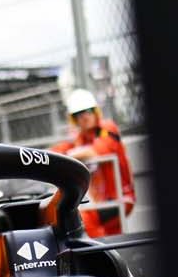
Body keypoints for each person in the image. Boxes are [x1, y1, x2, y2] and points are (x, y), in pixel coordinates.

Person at [50, 88, 136, 237]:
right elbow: (55, 151)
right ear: (74, 119)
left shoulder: (108, 128)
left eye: (88, 111)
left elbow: (94, 151)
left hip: (121, 198)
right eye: (78, 114)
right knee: (114, 239)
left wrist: (68, 155)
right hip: (101, 203)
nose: (84, 117)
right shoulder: (80, 138)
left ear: (95, 111)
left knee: (85, 218)